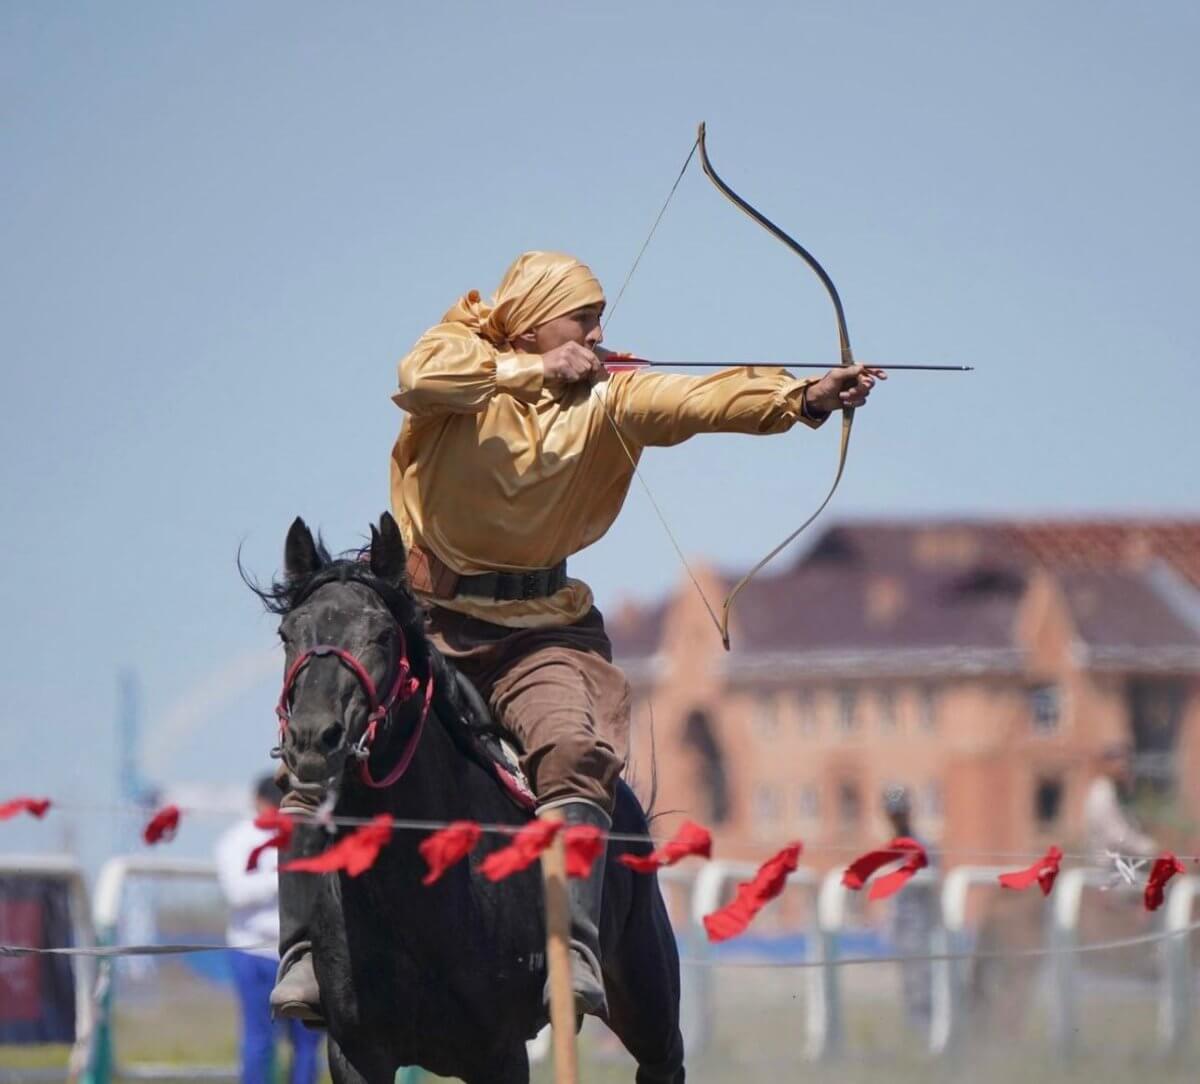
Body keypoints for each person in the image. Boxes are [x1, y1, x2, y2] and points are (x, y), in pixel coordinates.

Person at [270, 249, 883, 1022]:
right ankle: (304, 953)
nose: (599, 334)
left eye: (600, 320)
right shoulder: (459, 358)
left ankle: (576, 945)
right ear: (530, 322)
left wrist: (804, 396)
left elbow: (699, 399)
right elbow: (419, 377)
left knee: (569, 750)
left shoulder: (608, 400)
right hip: (425, 624)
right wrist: (530, 371)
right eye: (583, 319)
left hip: (539, 632)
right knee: (322, 740)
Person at [217, 774, 322, 1084]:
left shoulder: (308, 834)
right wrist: (284, 876)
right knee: (259, 1041)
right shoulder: (238, 839)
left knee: (307, 1044)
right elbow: (237, 892)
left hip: (301, 955)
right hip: (253, 952)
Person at [882, 784, 937, 1036]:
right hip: (902, 932)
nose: (896, 818)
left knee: (924, 988)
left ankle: (930, 1037)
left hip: (923, 929)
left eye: (899, 812)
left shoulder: (922, 847)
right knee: (909, 988)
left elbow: (933, 891)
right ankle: (916, 1036)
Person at [1083, 742, 1156, 863]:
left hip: (1119, 863)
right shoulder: (1102, 792)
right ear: (1106, 764)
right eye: (1117, 761)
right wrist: (1148, 848)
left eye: (1127, 761)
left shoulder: (1115, 790)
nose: (1124, 766)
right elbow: (1115, 834)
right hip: (1106, 866)